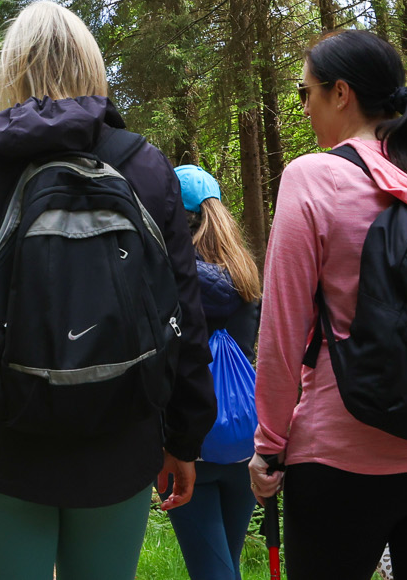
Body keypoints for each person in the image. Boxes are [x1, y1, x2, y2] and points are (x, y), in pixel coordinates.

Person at [0, 0, 216, 580]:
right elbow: (183, 316)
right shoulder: (144, 167)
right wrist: (185, 436)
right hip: (119, 442)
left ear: (10, 71)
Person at [250, 28, 407, 580]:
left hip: (345, 455)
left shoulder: (312, 177)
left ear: (340, 93)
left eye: (305, 93)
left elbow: (282, 331)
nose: (303, 107)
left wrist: (268, 447)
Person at [166, 166, 264, 580]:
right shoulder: (245, 274)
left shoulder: (170, 274)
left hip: (191, 443)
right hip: (244, 438)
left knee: (213, 572)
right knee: (227, 566)